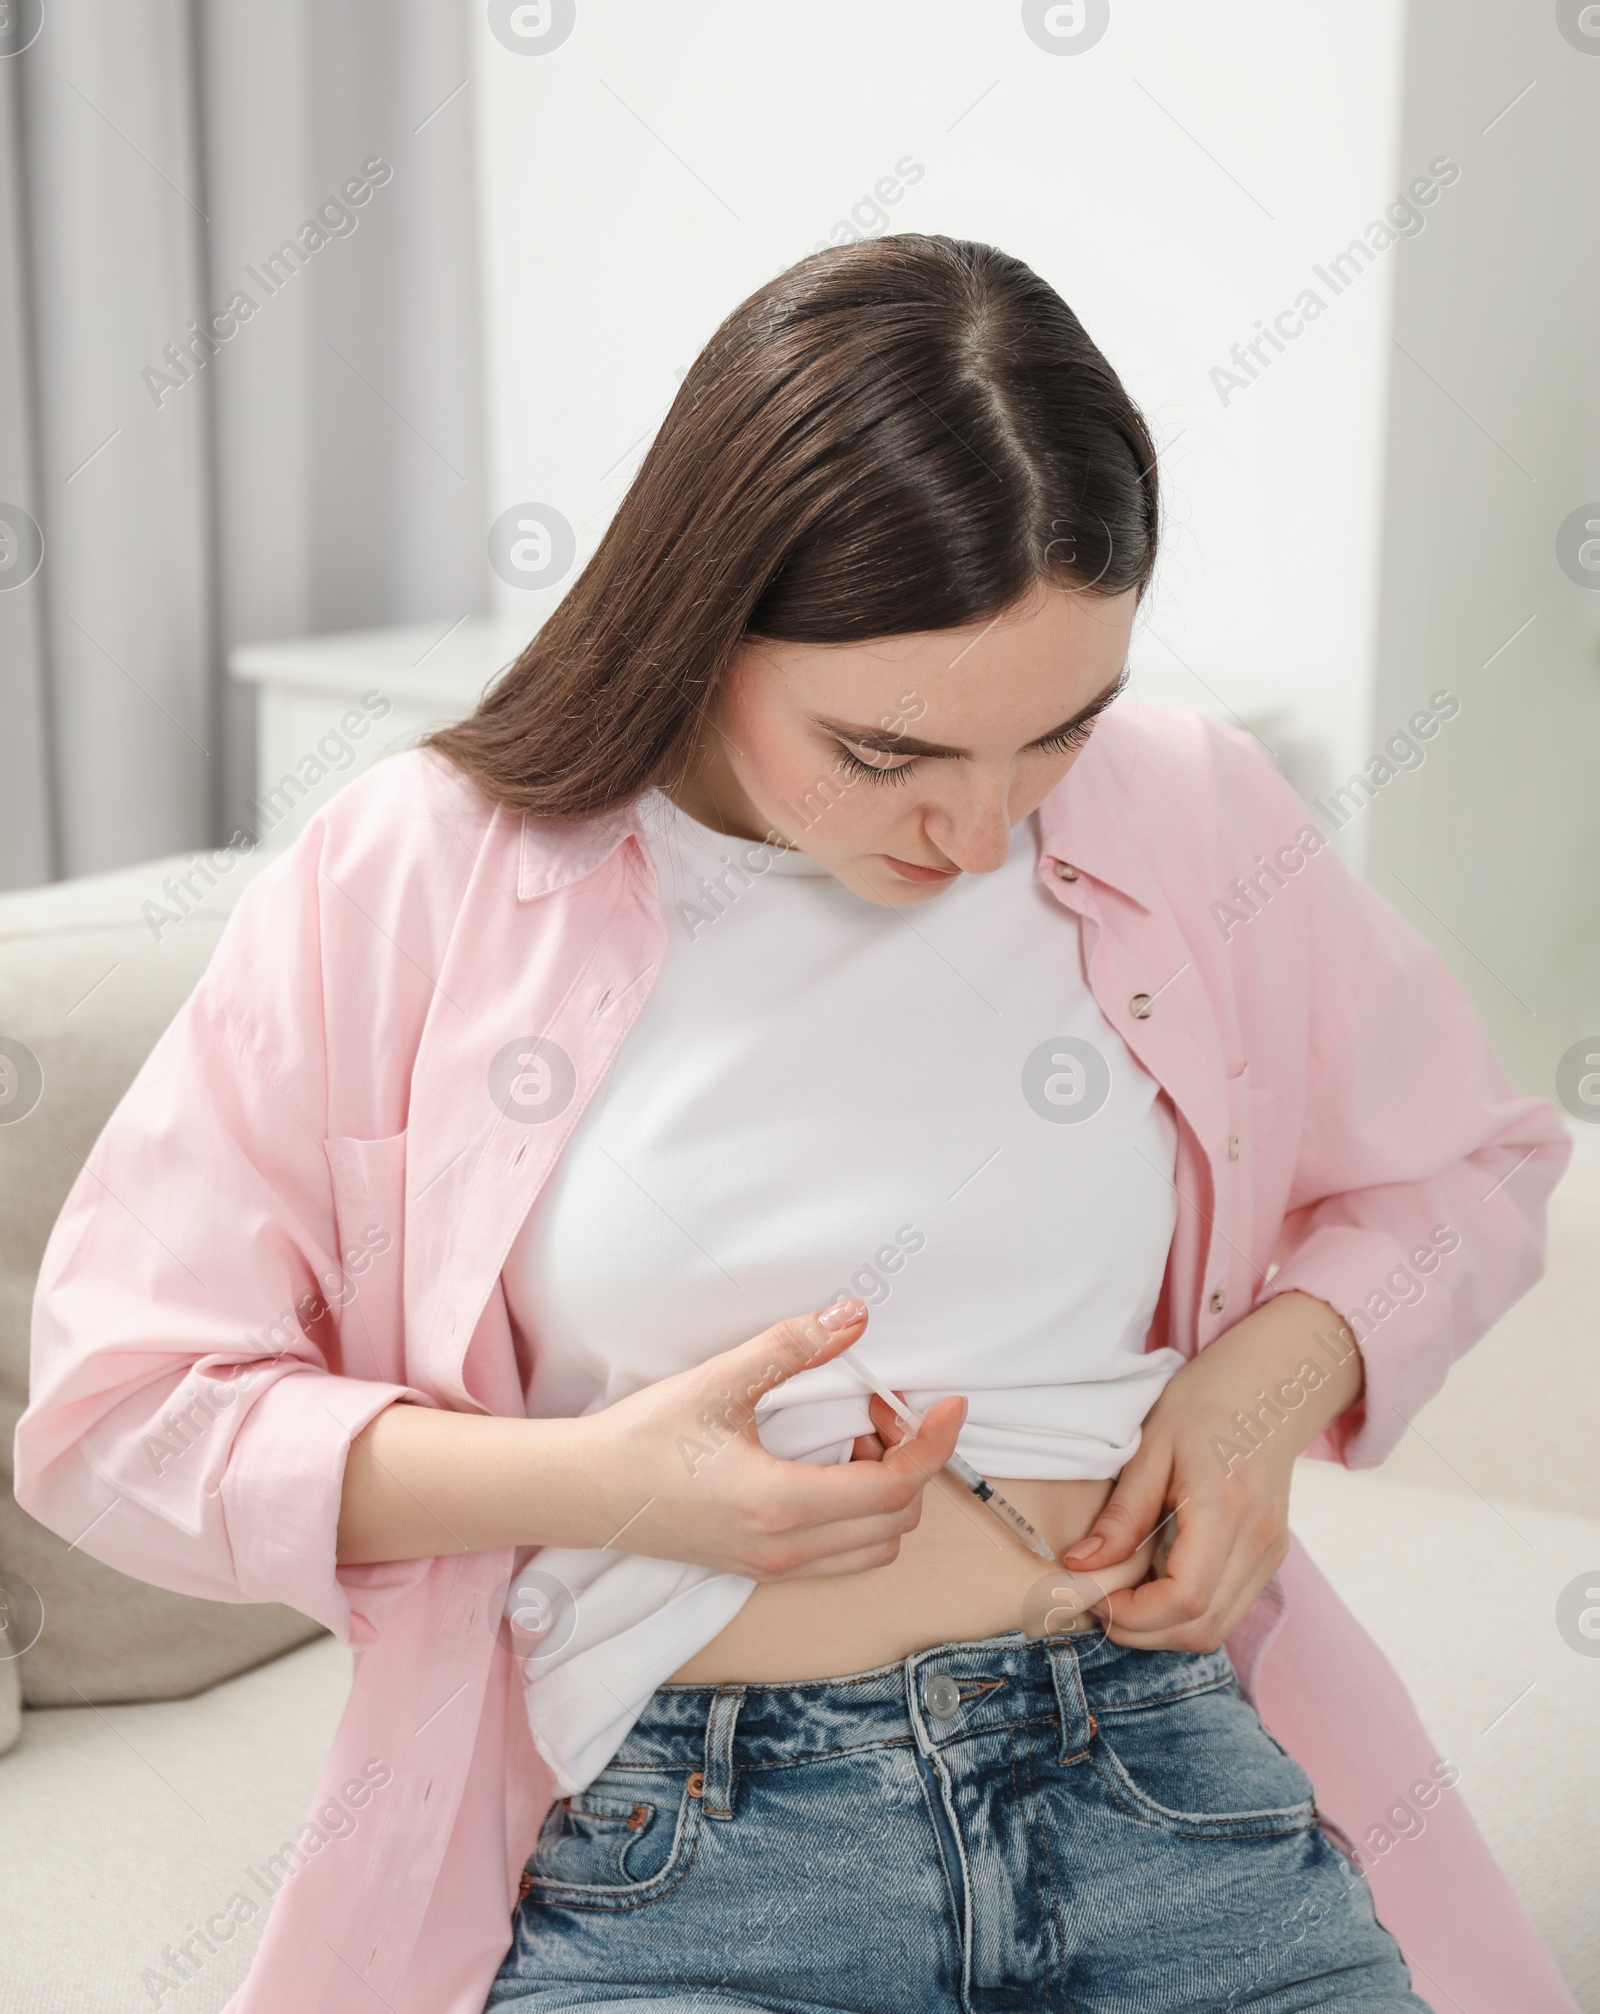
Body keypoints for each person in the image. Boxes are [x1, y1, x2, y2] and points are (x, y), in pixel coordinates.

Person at [16, 236, 1577, 2014]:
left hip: (1165, 1784)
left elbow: (1473, 1163)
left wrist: (1267, 1384)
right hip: (699, 1851)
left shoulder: (1194, 817)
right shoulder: (419, 872)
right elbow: (122, 1411)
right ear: (705, 617)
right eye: (887, 756)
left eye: (1058, 733)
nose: (979, 836)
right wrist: (602, 1488)